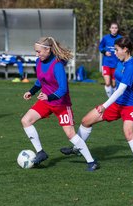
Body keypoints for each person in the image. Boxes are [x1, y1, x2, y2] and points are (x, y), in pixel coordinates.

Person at [60, 37, 133, 175]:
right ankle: (77, 149)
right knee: (86, 121)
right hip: (117, 104)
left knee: (128, 132)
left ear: (125, 50)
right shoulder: (120, 61)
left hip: (131, 105)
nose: (114, 52)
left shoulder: (132, 66)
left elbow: (121, 90)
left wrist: (104, 105)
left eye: (117, 50)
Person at [21, 37, 99, 171]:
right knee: (25, 120)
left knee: (70, 134)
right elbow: (41, 81)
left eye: (39, 52)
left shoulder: (57, 65)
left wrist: (48, 96)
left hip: (61, 104)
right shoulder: (39, 62)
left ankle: (92, 162)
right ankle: (41, 152)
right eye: (36, 52)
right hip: (46, 102)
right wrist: (31, 91)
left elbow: (63, 89)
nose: (37, 54)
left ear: (48, 50)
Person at [99, 22, 122, 98]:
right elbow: (100, 47)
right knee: (108, 83)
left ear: (117, 29)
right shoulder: (105, 38)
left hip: (116, 64)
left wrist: (119, 52)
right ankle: (110, 100)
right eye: (112, 28)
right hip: (106, 63)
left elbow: (124, 48)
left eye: (115, 28)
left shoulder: (120, 38)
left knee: (114, 84)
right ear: (110, 29)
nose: (114, 29)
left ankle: (115, 99)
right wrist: (104, 52)